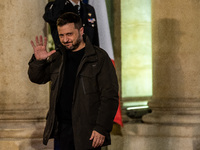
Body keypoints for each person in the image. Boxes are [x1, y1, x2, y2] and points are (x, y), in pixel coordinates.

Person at [28, 12, 119, 150]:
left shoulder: (99, 58)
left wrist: (101, 128)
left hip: (88, 132)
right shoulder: (57, 57)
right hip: (62, 131)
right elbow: (37, 78)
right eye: (61, 35)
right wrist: (38, 61)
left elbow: (110, 96)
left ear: (81, 31)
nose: (65, 40)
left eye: (69, 34)